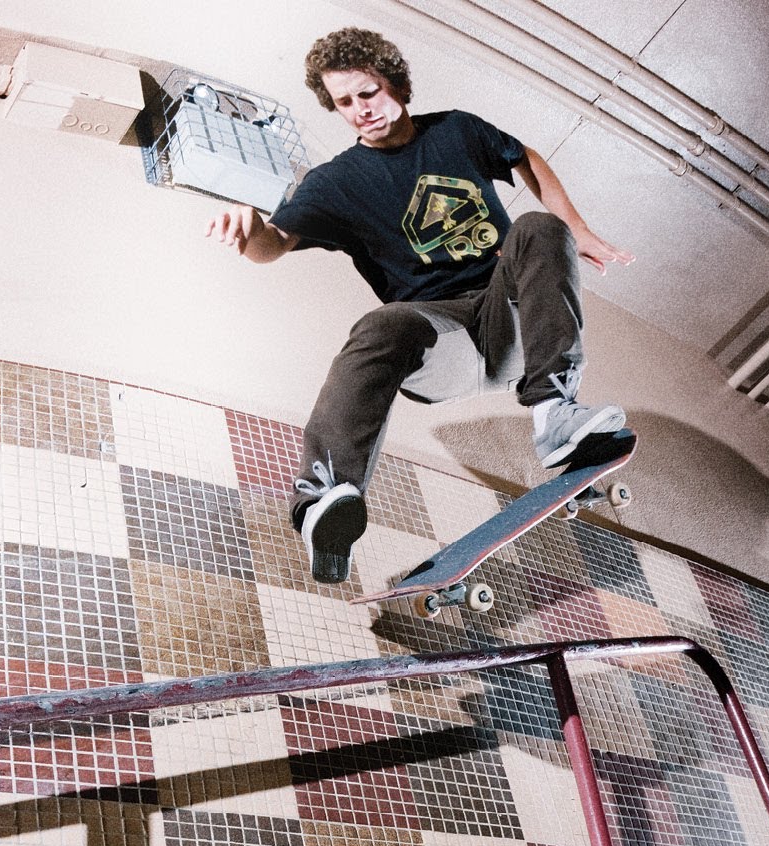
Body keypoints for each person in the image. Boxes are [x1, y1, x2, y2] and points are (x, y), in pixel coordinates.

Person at [208, 28, 637, 583]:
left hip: (509, 321)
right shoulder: (335, 182)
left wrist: (576, 228)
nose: (361, 110)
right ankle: (324, 501)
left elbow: (524, 156)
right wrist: (249, 231)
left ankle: (554, 413)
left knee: (538, 226)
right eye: (344, 102)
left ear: (397, 84)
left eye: (369, 93)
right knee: (382, 325)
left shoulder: (456, 130)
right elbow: (275, 243)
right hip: (440, 338)